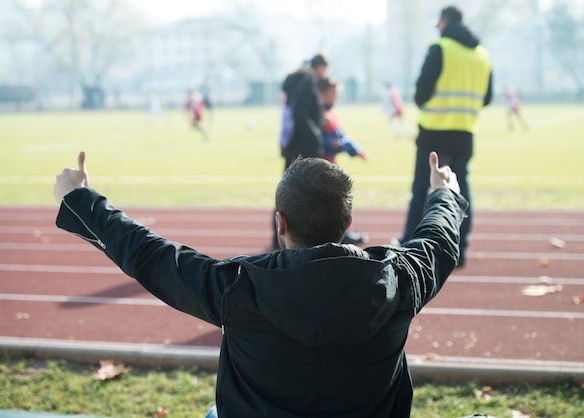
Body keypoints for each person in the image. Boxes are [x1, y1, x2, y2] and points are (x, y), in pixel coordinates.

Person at [54, 150, 467, 418]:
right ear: (347, 224)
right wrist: (443, 193)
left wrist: (80, 198)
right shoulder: (400, 278)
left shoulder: (237, 286)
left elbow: (151, 255)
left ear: (280, 222)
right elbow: (439, 240)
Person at [399, 5, 493, 268]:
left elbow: (421, 93)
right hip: (464, 131)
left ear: (444, 22)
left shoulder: (440, 48)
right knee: (462, 189)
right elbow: (486, 98)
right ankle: (459, 249)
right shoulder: (482, 55)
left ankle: (410, 244)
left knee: (421, 188)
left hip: (434, 131)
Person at [272, 53, 329, 249]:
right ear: (320, 67)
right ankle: (290, 239)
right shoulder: (307, 82)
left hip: (293, 145)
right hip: (304, 147)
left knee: (288, 190)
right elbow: (300, 113)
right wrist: (315, 136)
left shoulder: (297, 81)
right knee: (300, 191)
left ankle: (281, 236)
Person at [318, 76, 369, 245]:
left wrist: (353, 149)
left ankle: (342, 231)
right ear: (323, 93)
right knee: (335, 198)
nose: (336, 97)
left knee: (338, 198)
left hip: (330, 163)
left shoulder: (330, 114)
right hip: (321, 165)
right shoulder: (319, 115)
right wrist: (335, 144)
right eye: (334, 93)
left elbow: (339, 137)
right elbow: (324, 141)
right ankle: (341, 233)